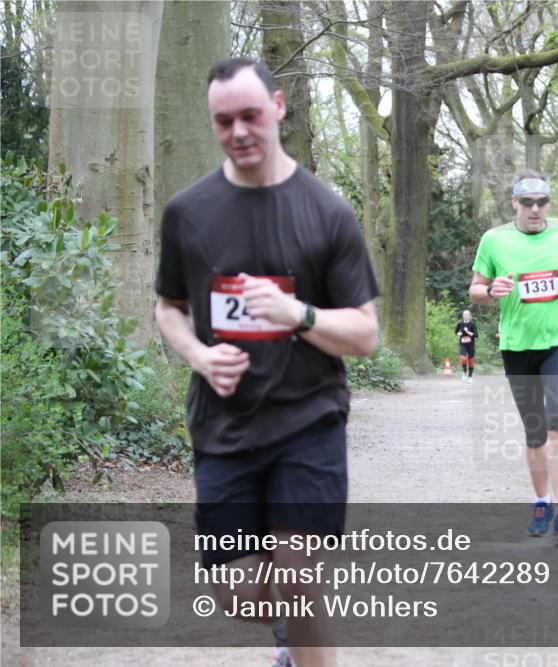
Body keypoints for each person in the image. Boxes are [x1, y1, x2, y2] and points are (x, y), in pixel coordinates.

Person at [154, 57, 379, 667]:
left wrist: (297, 315)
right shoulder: (187, 213)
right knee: (236, 593)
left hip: (309, 420)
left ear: (278, 106)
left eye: (250, 115)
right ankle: (287, 637)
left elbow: (364, 335)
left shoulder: (327, 212)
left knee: (302, 580)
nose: (239, 132)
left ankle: (301, 633)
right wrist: (199, 356)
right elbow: (168, 308)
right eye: (223, 121)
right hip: (223, 428)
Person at [468, 171, 558, 544]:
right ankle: (542, 502)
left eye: (542, 202)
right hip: (517, 346)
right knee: (535, 430)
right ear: (514, 204)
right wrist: (491, 290)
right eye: (527, 202)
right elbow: (475, 289)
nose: (535, 209)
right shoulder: (494, 240)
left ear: (548, 204)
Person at [454, 309, 479, 381]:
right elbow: (456, 333)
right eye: (464, 314)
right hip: (463, 345)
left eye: (467, 315)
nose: (465, 316)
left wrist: (467, 332)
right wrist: (459, 333)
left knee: (471, 361)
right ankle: (464, 373)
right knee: (463, 359)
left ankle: (470, 377)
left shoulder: (472, 325)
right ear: (462, 316)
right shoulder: (460, 324)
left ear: (470, 316)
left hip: (471, 345)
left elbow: (476, 335)